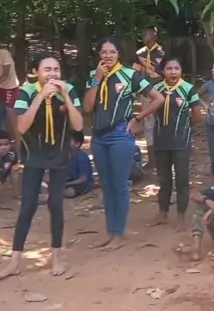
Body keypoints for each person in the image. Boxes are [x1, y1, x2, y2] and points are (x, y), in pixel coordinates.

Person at [0, 52, 84, 280]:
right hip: (34, 153)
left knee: (55, 204)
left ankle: (56, 257)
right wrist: (41, 96)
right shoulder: (26, 91)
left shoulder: (68, 89)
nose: (53, 74)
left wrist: (65, 96)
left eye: (56, 69)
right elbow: (21, 127)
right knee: (28, 206)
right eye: (47, 69)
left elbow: (78, 125)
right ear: (36, 72)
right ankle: (14, 261)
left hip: (59, 153)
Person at [83, 36, 165, 251]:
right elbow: (87, 107)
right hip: (98, 137)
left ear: (119, 54)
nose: (107, 56)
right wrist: (97, 79)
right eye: (103, 52)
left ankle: (119, 234)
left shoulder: (131, 75)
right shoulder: (93, 75)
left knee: (119, 186)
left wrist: (138, 118)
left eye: (112, 51)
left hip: (120, 135)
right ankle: (110, 232)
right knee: (106, 186)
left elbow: (158, 98)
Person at [148, 56, 203, 231]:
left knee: (181, 180)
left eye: (176, 68)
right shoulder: (156, 89)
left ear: (181, 71)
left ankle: (181, 217)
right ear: (163, 71)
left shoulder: (188, 89)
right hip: (161, 140)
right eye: (169, 68)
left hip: (181, 141)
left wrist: (184, 127)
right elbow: (151, 109)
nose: (173, 72)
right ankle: (162, 213)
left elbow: (197, 115)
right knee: (163, 179)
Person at [134, 26, 165, 170]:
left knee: (163, 122)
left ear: (155, 34)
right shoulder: (139, 53)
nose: (144, 35)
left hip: (162, 92)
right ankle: (152, 160)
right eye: (142, 32)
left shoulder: (162, 53)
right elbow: (135, 73)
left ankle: (164, 158)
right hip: (146, 93)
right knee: (148, 124)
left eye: (147, 32)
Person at [64, 130, 94, 198]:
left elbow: (83, 179)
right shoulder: (65, 155)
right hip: (70, 180)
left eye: (68, 141)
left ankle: (50, 196)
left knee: (70, 192)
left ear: (77, 144)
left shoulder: (81, 157)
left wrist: (66, 184)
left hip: (83, 183)